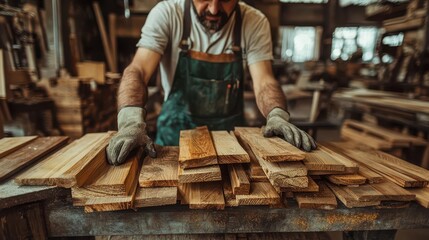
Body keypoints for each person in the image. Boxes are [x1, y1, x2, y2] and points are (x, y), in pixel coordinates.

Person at [106, 0, 317, 165]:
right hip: (173, 144)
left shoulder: (254, 21)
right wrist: (130, 122)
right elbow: (139, 70)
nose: (214, 9)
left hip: (229, 145)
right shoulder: (168, 14)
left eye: (225, 0)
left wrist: (277, 115)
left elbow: (264, 81)